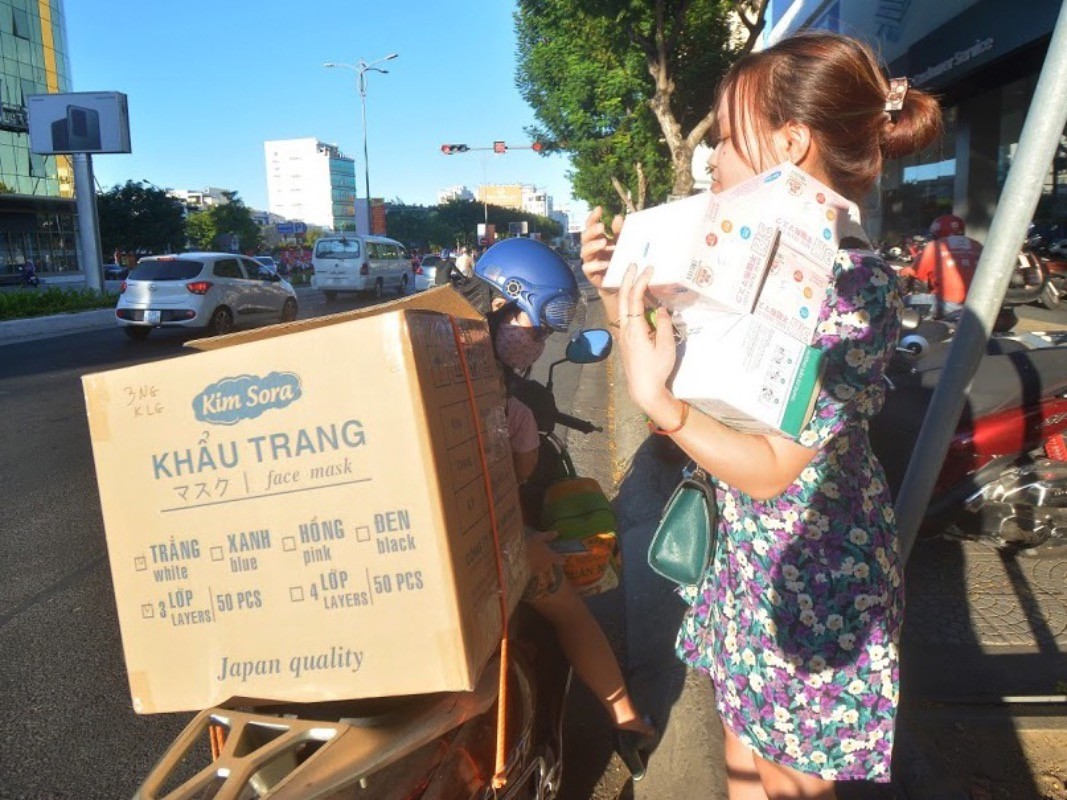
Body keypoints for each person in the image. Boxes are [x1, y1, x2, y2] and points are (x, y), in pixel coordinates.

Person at [581, 33, 942, 797]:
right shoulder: (758, 259)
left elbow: (776, 468)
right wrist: (622, 295)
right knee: (741, 760)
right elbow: (688, 380)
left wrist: (661, 405)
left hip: (814, 576)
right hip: (751, 559)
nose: (708, 155)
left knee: (787, 783)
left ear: (791, 140)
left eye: (722, 133)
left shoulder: (853, 285)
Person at [473, 237, 658, 780]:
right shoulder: (497, 393)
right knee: (568, 607)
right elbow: (517, 477)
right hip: (490, 542)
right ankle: (628, 721)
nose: (541, 341)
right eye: (537, 327)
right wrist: (521, 541)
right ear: (503, 305)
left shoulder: (451, 359)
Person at [899, 214, 983, 316]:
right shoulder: (978, 245)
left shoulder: (935, 247)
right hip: (980, 305)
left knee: (901, 301)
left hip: (947, 304)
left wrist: (903, 273)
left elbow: (919, 276)